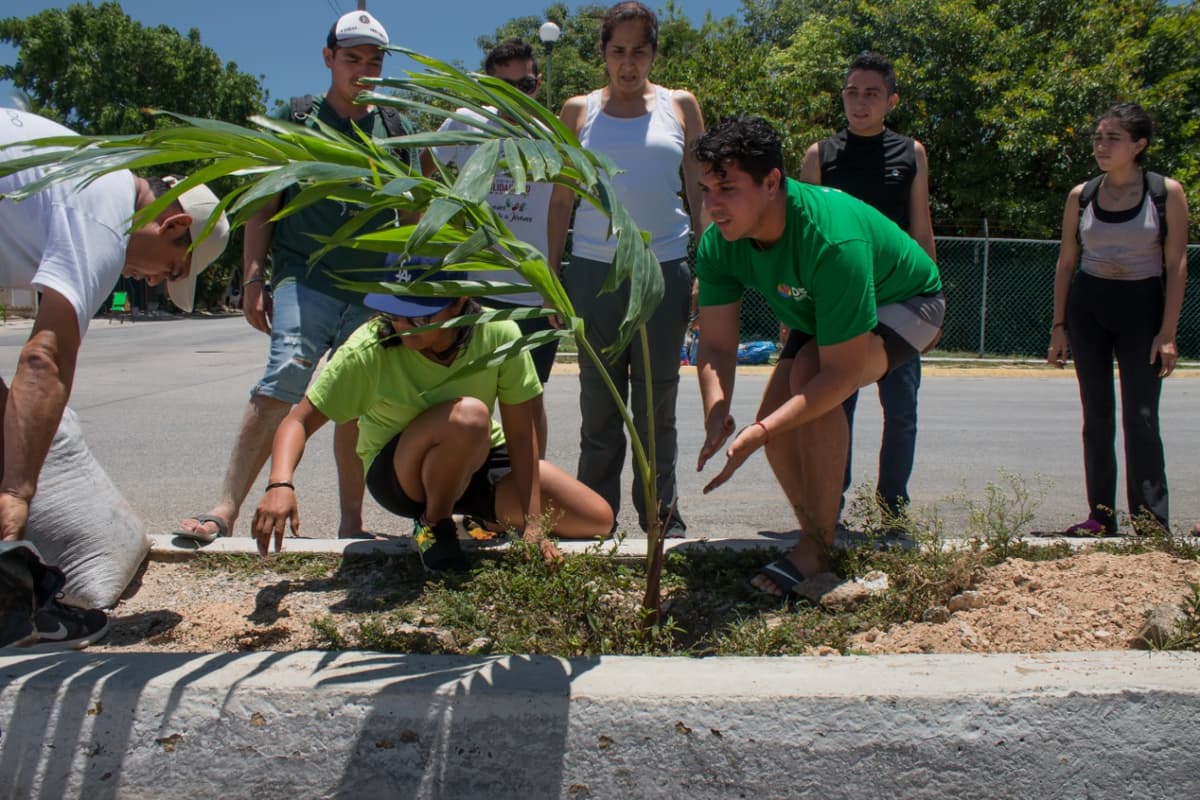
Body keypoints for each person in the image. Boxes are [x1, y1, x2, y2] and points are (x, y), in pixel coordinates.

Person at [176, 10, 417, 545]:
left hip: (372, 289)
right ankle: (226, 509)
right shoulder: (297, 120)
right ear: (329, 58)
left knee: (351, 399)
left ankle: (351, 522)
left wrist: (413, 288)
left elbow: (417, 215)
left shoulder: (398, 128)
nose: (363, 70)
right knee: (284, 378)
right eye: (352, 59)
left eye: (374, 62)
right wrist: (253, 278)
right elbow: (263, 205)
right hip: (304, 278)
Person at [0, 108, 230, 646]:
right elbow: (46, 359)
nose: (149, 280)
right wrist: (14, 495)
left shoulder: (82, 170)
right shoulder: (105, 212)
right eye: (169, 271)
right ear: (174, 227)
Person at [692, 115, 944, 597]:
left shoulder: (831, 240)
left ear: (771, 183)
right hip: (818, 309)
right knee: (776, 423)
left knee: (805, 381)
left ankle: (817, 548)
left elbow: (841, 374)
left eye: (726, 188)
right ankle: (815, 531)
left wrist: (759, 430)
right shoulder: (718, 242)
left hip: (910, 302)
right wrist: (717, 410)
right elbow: (717, 346)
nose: (713, 205)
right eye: (706, 189)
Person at [249, 267, 614, 569]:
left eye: (421, 316)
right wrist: (280, 484)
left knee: (596, 519)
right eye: (395, 312)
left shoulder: (499, 332)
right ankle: (433, 524)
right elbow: (297, 422)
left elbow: (522, 436)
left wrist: (534, 525)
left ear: (458, 303)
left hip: (477, 458)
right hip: (402, 475)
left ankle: (479, 519)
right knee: (470, 416)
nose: (405, 326)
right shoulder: (370, 346)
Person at [547, 1, 707, 537]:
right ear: (603, 54)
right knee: (599, 404)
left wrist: (706, 267)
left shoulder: (680, 106)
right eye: (618, 50)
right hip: (594, 270)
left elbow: (702, 191)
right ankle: (591, 519)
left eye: (640, 50)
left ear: (654, 53)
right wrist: (551, 275)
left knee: (658, 401)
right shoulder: (579, 111)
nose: (629, 62)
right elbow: (560, 202)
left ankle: (662, 518)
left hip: (664, 268)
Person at [798, 51, 937, 538]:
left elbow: (921, 228)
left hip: (900, 299)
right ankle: (828, 513)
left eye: (871, 93)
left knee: (901, 410)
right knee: (836, 407)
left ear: (891, 100)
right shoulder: (820, 156)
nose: (859, 102)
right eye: (852, 91)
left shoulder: (911, 153)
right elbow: (807, 239)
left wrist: (932, 299)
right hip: (840, 301)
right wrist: (799, 315)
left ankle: (893, 514)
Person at [1046, 103, 1188, 536]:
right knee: (1097, 415)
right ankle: (1100, 516)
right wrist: (1058, 326)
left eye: (1113, 139)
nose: (1102, 146)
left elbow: (1177, 263)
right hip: (1089, 306)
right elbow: (1067, 262)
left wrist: (1167, 332)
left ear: (1139, 145)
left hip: (1142, 307)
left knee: (1141, 416)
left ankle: (1149, 520)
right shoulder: (1082, 195)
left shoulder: (1165, 193)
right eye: (1098, 137)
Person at [423, 38, 558, 456]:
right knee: (468, 402)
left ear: (537, 84)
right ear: (485, 86)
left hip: (533, 290)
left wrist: (555, 285)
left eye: (526, 86)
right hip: (473, 290)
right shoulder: (465, 123)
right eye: (503, 88)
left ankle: (530, 501)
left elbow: (562, 211)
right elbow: (424, 171)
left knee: (529, 402)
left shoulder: (551, 133)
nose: (517, 97)